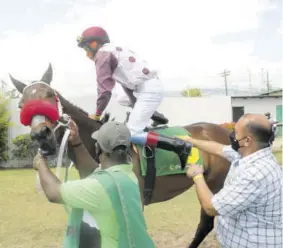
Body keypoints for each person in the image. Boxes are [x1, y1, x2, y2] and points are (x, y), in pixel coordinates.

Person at [76, 26, 192, 168]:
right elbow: (127, 86)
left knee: (132, 133)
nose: (87, 53)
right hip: (145, 88)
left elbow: (104, 90)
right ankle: (156, 116)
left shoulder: (103, 54)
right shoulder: (112, 50)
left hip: (148, 90)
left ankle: (179, 146)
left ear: (96, 43)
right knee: (121, 98)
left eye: (87, 47)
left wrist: (97, 114)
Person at [33, 120, 156, 248]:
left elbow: (54, 192)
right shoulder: (127, 175)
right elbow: (93, 172)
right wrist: (76, 143)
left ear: (98, 148)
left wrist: (40, 162)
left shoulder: (100, 187)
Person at [182, 113, 282, 248]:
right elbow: (219, 149)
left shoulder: (255, 174)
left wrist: (197, 175)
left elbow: (211, 208)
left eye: (235, 132)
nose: (232, 136)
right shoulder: (253, 153)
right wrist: (191, 141)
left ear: (247, 141)